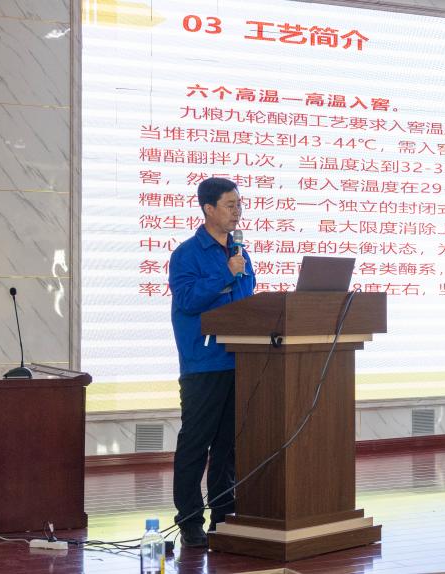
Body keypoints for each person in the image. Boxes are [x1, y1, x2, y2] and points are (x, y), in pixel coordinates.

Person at [168, 177, 255, 547]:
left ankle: (224, 514)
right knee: (196, 443)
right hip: (203, 362)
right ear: (208, 209)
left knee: (228, 446)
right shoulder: (187, 254)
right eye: (230, 205)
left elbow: (246, 300)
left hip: (238, 360)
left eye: (239, 204)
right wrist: (226, 273)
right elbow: (188, 300)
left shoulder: (239, 252)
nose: (238, 212)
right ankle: (190, 521)